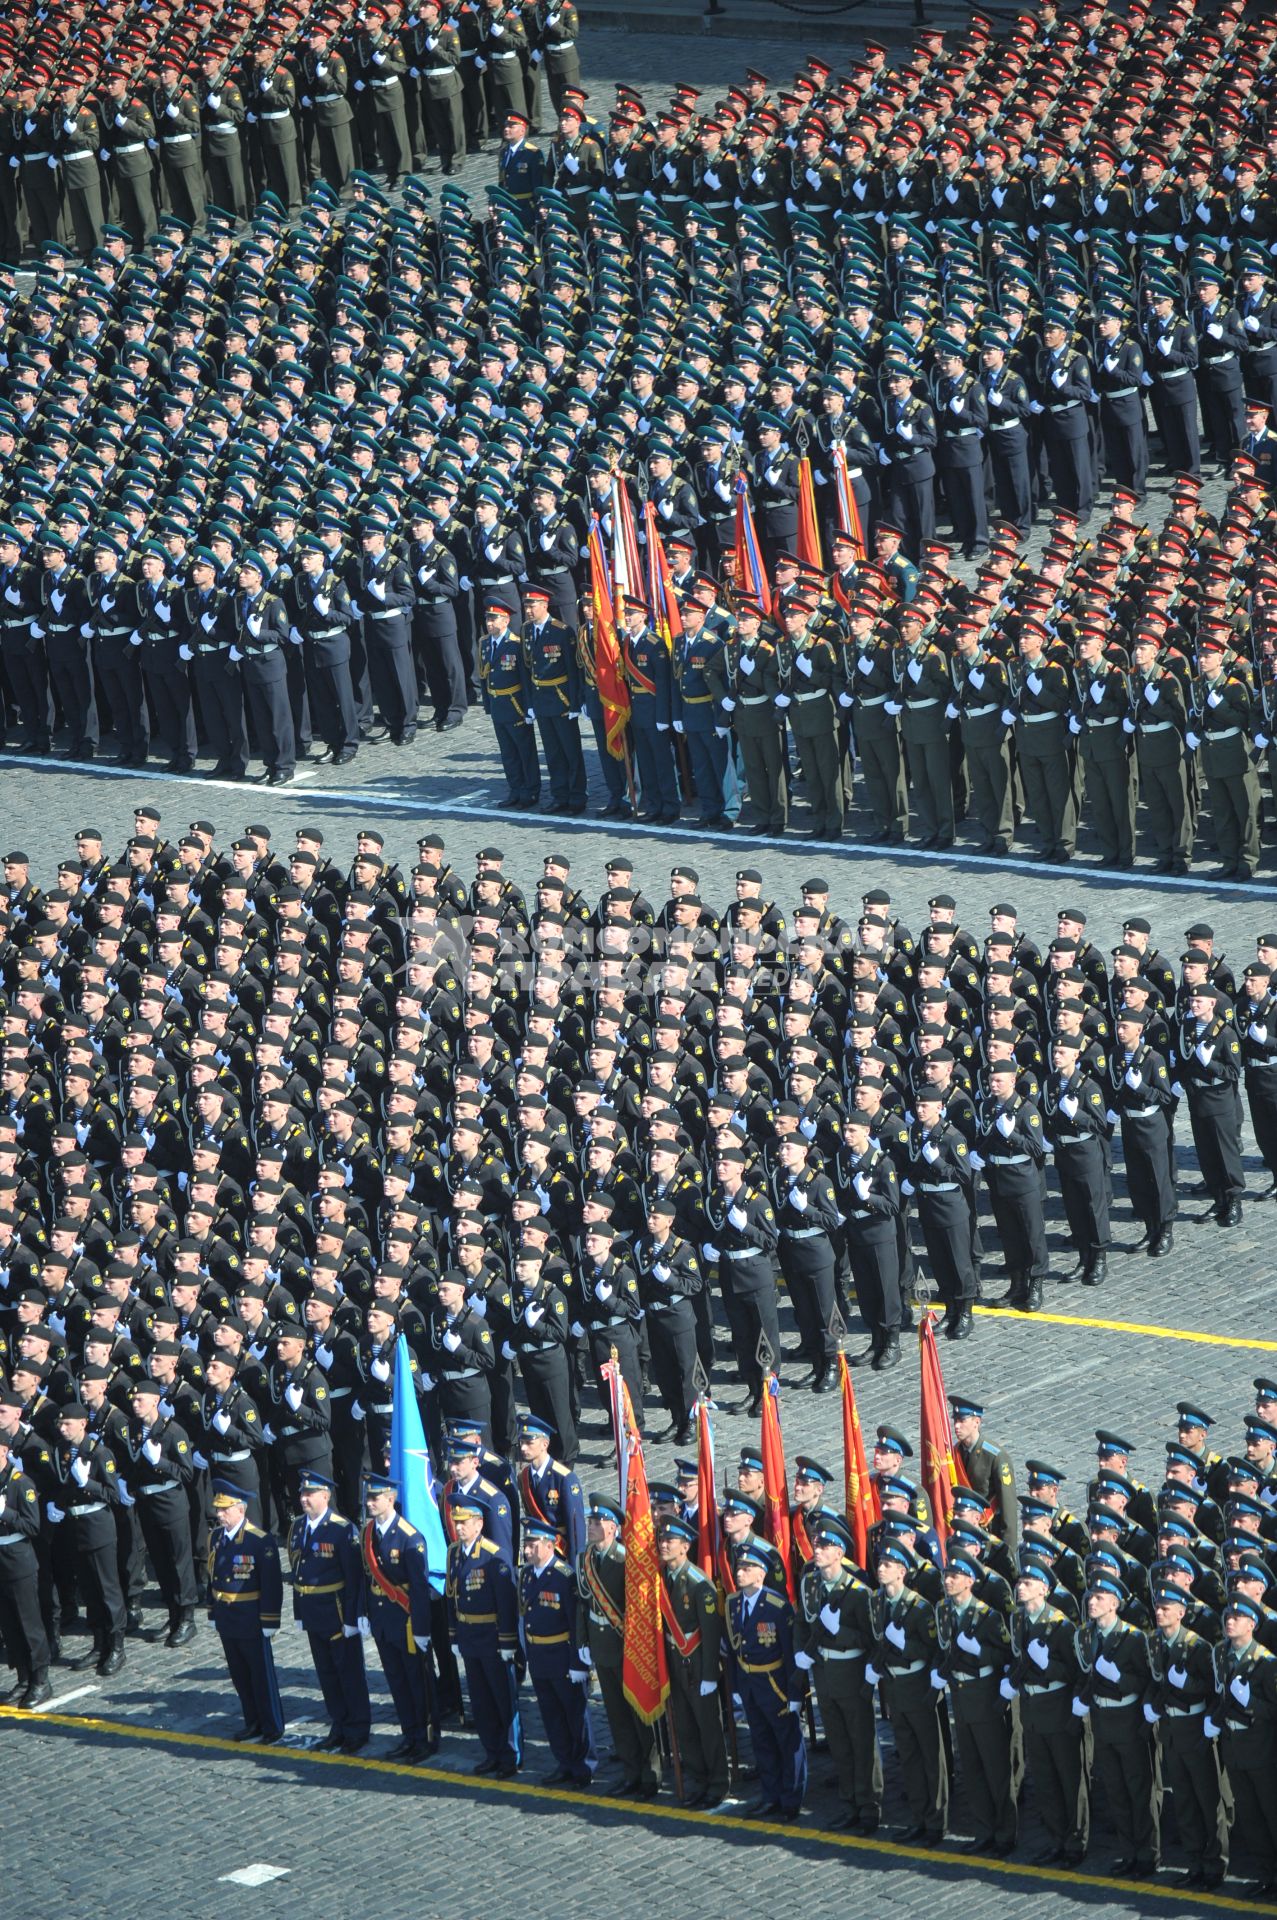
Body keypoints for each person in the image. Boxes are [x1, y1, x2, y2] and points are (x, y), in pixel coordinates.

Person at [796, 1512, 880, 1832]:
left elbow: (872, 1639)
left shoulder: (859, 1591)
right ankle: (849, 1802)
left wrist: (840, 1632)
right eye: (816, 1542)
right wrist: (802, 1654)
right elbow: (802, 1623)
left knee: (861, 1740)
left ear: (839, 1553)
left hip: (851, 1669)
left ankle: (869, 1804)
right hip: (824, 1672)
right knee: (839, 1742)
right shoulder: (810, 1583)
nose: (817, 1548)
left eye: (825, 1544)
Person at [577, 1493, 661, 1797]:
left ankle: (650, 1775)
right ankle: (630, 1772)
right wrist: (582, 1640)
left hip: (626, 1644)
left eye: (597, 1521)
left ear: (612, 1527)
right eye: (590, 1520)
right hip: (601, 1646)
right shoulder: (585, 1558)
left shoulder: (626, 1561)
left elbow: (638, 1606)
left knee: (639, 1714)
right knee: (616, 1714)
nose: (591, 1525)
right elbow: (582, 1603)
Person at [289, 1468, 371, 1755]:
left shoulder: (342, 1529)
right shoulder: (299, 1526)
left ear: (325, 1495)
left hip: (336, 1612)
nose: (304, 1499)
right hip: (313, 1612)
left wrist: (352, 1618)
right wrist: (299, 1612)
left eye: (310, 1494)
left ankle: (358, 1727)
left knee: (348, 1672)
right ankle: (338, 1723)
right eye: (302, 1493)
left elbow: (353, 1578)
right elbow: (298, 1571)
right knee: (326, 1673)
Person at [362, 1471, 437, 1762]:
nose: (369, 1502)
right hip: (382, 1622)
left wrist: (421, 1628)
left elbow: (419, 1588)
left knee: (417, 1682)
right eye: (368, 1497)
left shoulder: (409, 1538)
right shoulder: (368, 1533)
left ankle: (426, 1738)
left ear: (390, 1500)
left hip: (406, 1621)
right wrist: (364, 1613)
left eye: (375, 1498)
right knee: (397, 1682)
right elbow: (365, 1577)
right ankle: (409, 1734)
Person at [518, 1514, 596, 1787]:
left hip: (562, 1656)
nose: (527, 1550)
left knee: (574, 1714)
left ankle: (583, 1767)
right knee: (551, 1715)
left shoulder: (564, 1577)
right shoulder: (527, 1575)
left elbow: (576, 1625)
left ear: (550, 1545)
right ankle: (564, 1761)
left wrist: (578, 1663)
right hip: (539, 1657)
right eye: (526, 1544)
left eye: (533, 1544)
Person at [447, 1487, 520, 1775]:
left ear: (479, 1523)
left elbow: (506, 1603)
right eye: (457, 1522)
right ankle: (492, 1751)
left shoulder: (494, 1556)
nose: (460, 1527)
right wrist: (453, 1635)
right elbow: (451, 1596)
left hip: (491, 1637)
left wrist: (507, 1641)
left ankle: (511, 1756)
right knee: (480, 1700)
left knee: (502, 1698)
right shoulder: (454, 1553)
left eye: (464, 1522)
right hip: (468, 1636)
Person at [208, 1478, 285, 1744]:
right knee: (240, 1676)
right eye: (218, 1509)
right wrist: (213, 1611)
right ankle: (252, 1721)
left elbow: (271, 1584)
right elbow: (213, 1576)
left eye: (224, 1509)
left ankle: (272, 1725)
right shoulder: (216, 1538)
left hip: (250, 1617)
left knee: (261, 1675)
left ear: (240, 1510)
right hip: (227, 1618)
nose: (219, 1515)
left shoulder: (258, 1541)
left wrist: (270, 1619)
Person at [658, 1514, 727, 1809]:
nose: (663, 1545)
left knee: (708, 1726)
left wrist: (710, 1675)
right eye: (661, 1540)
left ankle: (717, 1783)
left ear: (685, 1547)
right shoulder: (662, 1579)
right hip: (674, 1660)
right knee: (685, 1725)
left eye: (669, 1541)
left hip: (697, 1662)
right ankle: (698, 1778)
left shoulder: (700, 1585)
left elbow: (711, 1635)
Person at [0, 1428, 51, 1709]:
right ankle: (22, 1676)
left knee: (28, 1622)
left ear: (4, 1451)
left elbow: (33, 1526)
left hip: (18, 1558)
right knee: (9, 1624)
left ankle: (40, 1679)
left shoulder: (21, 1483)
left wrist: (5, 1513)